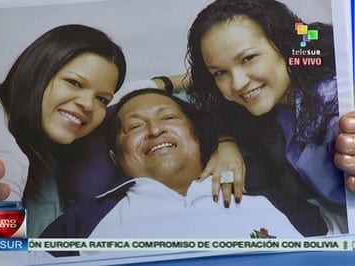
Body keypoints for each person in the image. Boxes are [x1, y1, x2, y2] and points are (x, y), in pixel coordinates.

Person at [41, 89, 302, 259]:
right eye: (134, 126)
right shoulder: (83, 221)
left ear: (197, 135)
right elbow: (6, 256)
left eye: (168, 117)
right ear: (115, 158)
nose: (154, 130)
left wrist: (227, 140)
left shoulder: (265, 199)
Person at [0, 24, 127, 250]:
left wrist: (162, 82)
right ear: (37, 70)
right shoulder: (5, 159)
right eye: (74, 83)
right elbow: (3, 252)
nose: (87, 104)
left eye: (102, 99)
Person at [186, 0, 350, 235]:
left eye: (248, 58)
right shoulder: (275, 101)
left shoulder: (337, 102)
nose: (238, 83)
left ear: (283, 45)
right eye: (220, 72)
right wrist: (226, 142)